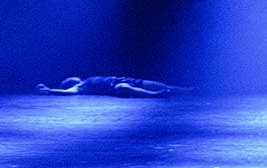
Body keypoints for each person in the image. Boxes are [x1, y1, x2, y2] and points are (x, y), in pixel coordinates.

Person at [35, 76, 191, 98]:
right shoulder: (82, 87)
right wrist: (49, 90)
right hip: (118, 87)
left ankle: (187, 90)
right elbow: (67, 93)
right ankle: (155, 95)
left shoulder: (88, 79)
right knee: (123, 86)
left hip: (128, 80)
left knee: (163, 85)